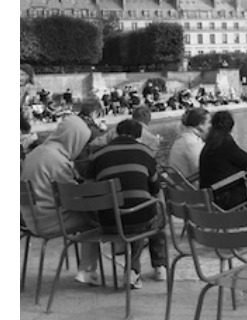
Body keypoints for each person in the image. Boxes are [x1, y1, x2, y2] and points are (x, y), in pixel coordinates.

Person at [20, 116, 101, 284]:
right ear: (74, 138)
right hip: (49, 221)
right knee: (96, 220)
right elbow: (73, 198)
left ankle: (86, 268)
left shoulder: (37, 153)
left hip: (31, 219)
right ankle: (87, 270)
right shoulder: (57, 160)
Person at [89, 119, 167, 288]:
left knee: (131, 211)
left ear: (116, 134)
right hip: (136, 219)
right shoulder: (145, 153)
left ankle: (134, 270)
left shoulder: (98, 155)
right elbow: (154, 188)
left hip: (106, 221)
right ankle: (157, 266)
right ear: (139, 137)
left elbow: (90, 184)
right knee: (153, 213)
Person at [167, 107, 211, 183]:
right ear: (200, 125)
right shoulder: (192, 143)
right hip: (193, 190)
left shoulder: (182, 139)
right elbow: (202, 170)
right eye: (209, 122)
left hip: (182, 187)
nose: (211, 126)